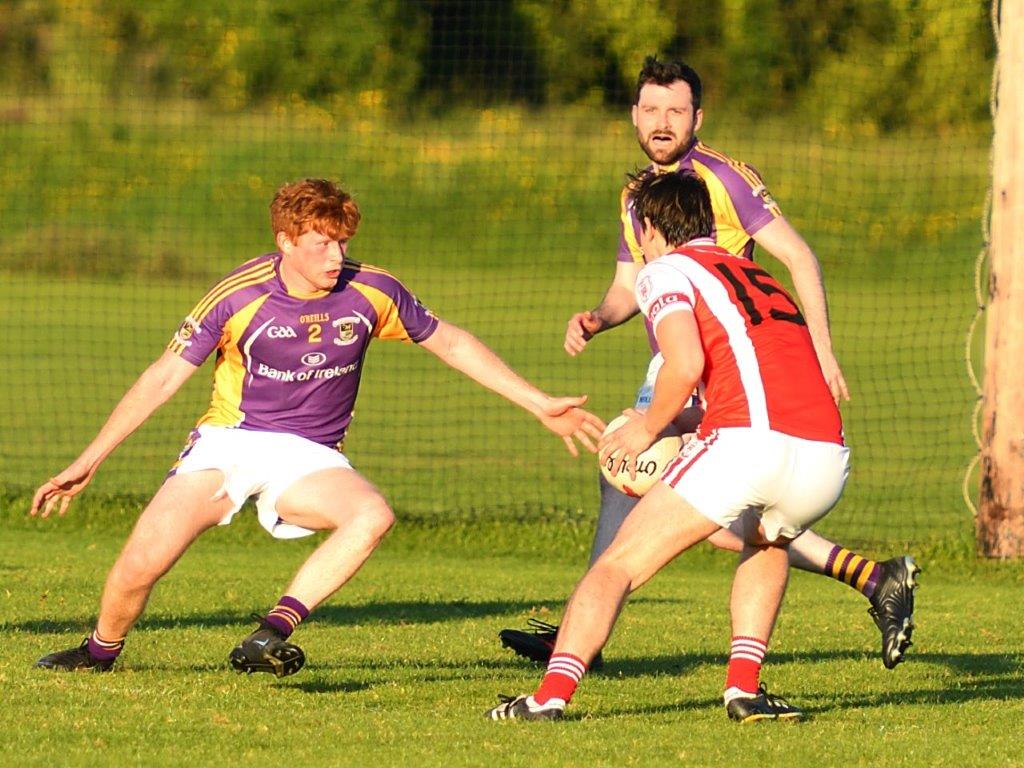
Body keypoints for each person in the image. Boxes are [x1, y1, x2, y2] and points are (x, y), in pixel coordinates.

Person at [30, 178, 605, 676]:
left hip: (311, 455)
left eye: (342, 241)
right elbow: (161, 378)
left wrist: (537, 403)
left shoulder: (372, 290)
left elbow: (449, 341)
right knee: (141, 562)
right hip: (232, 443)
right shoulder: (239, 295)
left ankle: (269, 634)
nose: (336, 256)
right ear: (285, 242)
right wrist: (91, 458)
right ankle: (100, 652)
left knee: (372, 515)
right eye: (321, 243)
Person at [499, 56, 918, 671]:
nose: (662, 122)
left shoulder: (725, 178)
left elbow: (799, 258)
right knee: (635, 474)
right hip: (678, 359)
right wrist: (596, 317)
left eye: (675, 110)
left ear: (698, 117)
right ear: (633, 116)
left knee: (677, 488)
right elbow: (629, 285)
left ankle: (870, 577)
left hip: (721, 366)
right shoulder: (637, 192)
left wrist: (824, 347)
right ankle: (582, 632)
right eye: (651, 109)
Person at [488, 171, 853, 723]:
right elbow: (743, 380)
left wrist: (645, 427)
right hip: (826, 461)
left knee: (616, 567)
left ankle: (547, 699)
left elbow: (684, 365)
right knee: (767, 539)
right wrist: (678, 422)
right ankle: (744, 690)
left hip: (749, 447)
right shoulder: (760, 277)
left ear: (652, 229)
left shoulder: (664, 271)